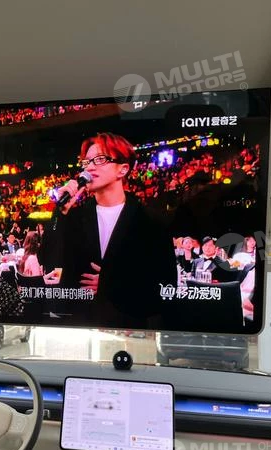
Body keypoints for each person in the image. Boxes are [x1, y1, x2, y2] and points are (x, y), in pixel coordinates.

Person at [41, 132, 177, 326]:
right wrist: (59, 213)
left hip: (130, 326)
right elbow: (48, 260)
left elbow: (166, 286)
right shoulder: (74, 217)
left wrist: (112, 285)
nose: (90, 167)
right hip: (82, 324)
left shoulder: (150, 220)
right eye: (87, 162)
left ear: (123, 169)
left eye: (100, 159)